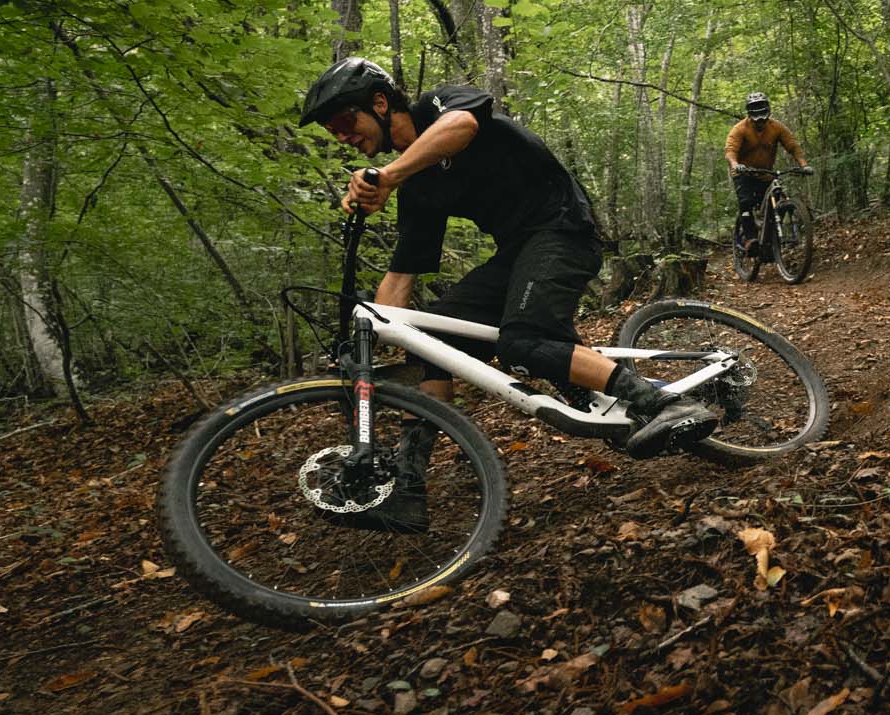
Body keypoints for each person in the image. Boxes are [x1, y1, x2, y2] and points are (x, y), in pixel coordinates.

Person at [299, 57, 715, 527]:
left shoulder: (438, 106)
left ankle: (666, 404)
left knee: (524, 341)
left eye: (343, 122)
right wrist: (368, 340)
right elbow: (400, 278)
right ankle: (408, 489)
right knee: (431, 344)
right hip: (516, 252)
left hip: (562, 228)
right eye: (332, 131)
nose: (341, 136)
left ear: (379, 103)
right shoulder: (418, 189)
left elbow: (463, 126)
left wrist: (389, 176)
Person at [723, 92, 810, 250]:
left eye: (763, 119)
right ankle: (749, 239)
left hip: (765, 174)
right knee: (746, 203)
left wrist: (804, 165)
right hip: (744, 174)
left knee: (775, 202)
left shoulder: (776, 127)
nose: (760, 123)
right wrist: (735, 164)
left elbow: (792, 146)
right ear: (750, 114)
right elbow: (730, 151)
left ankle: (771, 241)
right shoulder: (740, 129)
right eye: (757, 119)